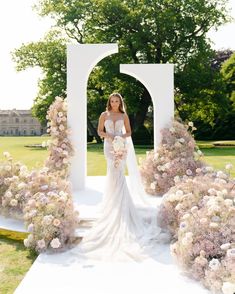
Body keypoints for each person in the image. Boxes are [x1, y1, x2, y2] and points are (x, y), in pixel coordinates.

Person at [69, 92, 167, 263]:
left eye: (117, 101)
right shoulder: (103, 115)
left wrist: (120, 137)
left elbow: (129, 132)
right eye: (112, 101)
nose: (114, 103)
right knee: (112, 172)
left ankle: (122, 203)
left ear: (120, 102)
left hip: (121, 145)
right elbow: (100, 131)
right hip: (108, 145)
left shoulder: (123, 115)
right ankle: (112, 201)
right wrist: (109, 136)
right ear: (109, 102)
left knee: (119, 172)